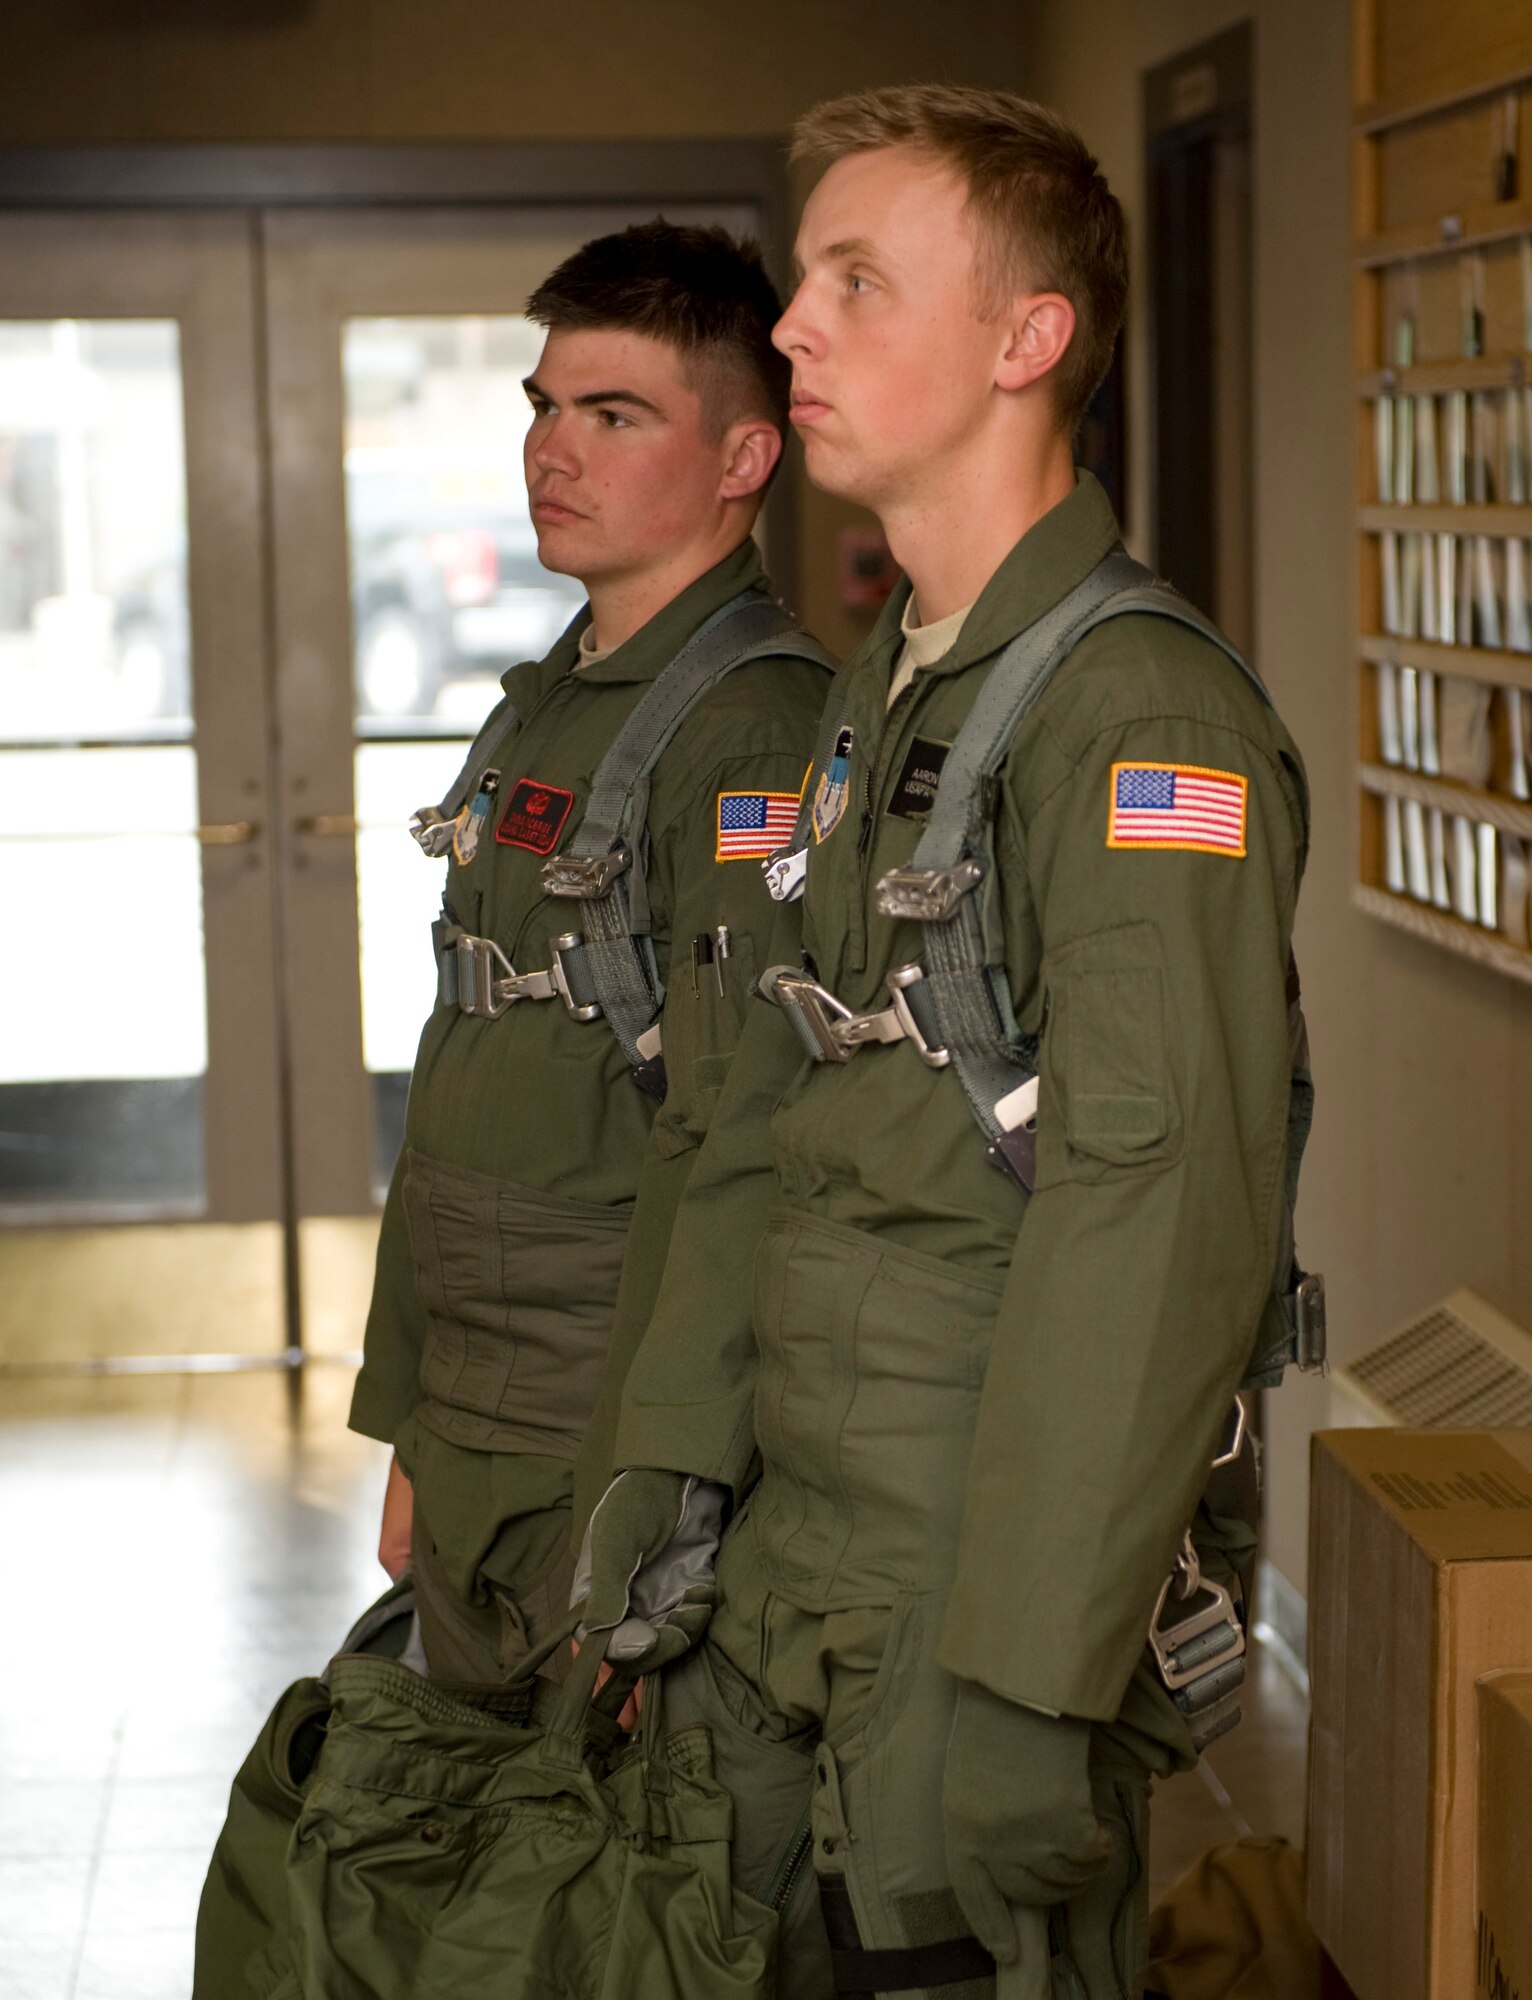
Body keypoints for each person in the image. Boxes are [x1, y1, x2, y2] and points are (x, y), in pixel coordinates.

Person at [576, 87, 1314, 2000]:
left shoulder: (1142, 722)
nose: (795, 328)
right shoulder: (878, 695)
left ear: (1025, 340)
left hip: (973, 1578)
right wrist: (664, 1466)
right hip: (793, 1556)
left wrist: (1030, 1671)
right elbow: (754, 1112)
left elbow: (1159, 1220)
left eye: (855, 282)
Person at [193, 218, 831, 1994]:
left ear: (741, 456)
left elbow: (744, 1152)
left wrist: (662, 1499)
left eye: (615, 411)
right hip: (484, 1413)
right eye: (546, 403)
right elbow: (476, 1086)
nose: (552, 446)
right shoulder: (553, 703)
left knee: (602, 1890)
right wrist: (410, 1421)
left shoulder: (754, 732)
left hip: (604, 1428)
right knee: (475, 1864)